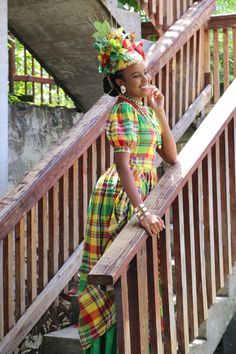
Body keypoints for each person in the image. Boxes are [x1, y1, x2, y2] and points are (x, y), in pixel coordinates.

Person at [78, 21, 177, 353]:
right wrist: (144, 211)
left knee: (139, 270)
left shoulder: (144, 110)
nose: (145, 80)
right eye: (136, 76)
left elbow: (170, 156)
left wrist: (160, 110)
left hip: (142, 185)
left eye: (145, 73)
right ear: (120, 82)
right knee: (118, 272)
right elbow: (123, 165)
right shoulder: (122, 110)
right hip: (121, 193)